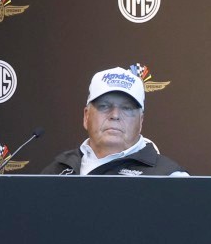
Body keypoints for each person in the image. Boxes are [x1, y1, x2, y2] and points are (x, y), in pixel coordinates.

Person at [42, 67, 187, 175]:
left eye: (127, 108)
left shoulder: (170, 176)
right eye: (104, 106)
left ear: (141, 121)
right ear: (86, 116)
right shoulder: (56, 171)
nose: (115, 115)